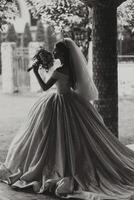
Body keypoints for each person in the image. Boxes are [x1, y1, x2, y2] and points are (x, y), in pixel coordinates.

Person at [1, 38, 134, 200]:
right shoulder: (72, 69)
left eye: (57, 50)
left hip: (59, 103)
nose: (54, 52)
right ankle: (71, 162)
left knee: (51, 137)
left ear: (63, 52)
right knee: (77, 137)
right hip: (73, 101)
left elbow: (44, 88)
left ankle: (60, 165)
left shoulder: (59, 71)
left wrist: (36, 71)